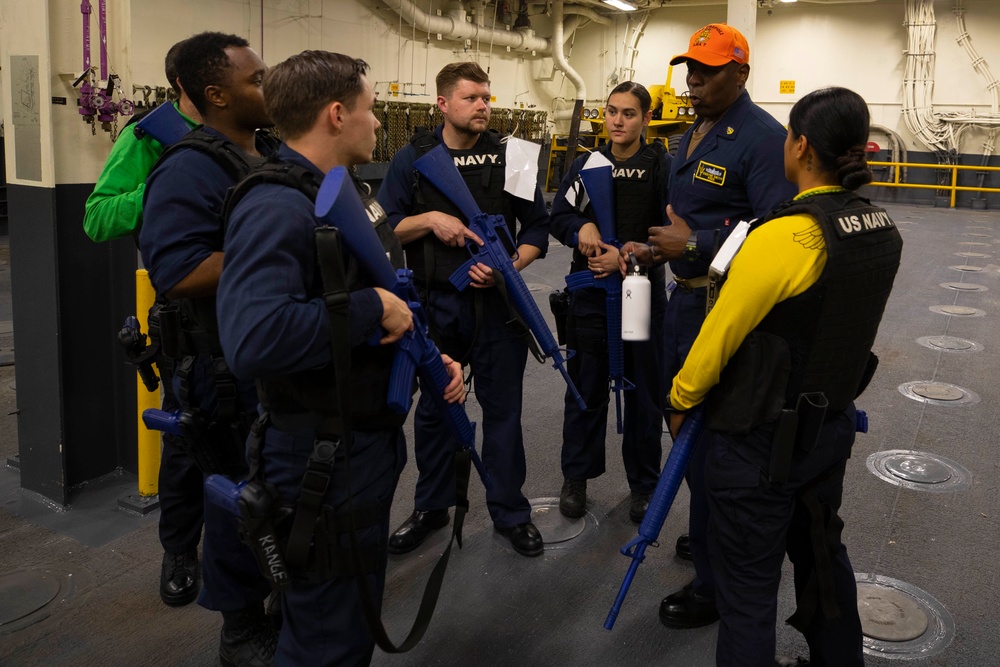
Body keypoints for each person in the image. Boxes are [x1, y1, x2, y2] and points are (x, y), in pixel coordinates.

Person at [216, 50, 465, 666]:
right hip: (317, 461)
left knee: (350, 616)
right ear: (336, 114)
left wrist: (425, 354)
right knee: (329, 638)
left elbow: (378, 291)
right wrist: (369, 309)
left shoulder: (342, 193)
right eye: (371, 109)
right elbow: (252, 338)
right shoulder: (278, 205)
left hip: (358, 445)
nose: (378, 122)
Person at [666, 86, 901, 666]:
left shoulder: (784, 237)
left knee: (747, 591)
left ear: (798, 146)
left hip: (759, 442)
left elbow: (718, 334)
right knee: (823, 558)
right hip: (829, 427)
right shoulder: (878, 226)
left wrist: (680, 399)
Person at [623, 22, 797, 630]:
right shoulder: (692, 131)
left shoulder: (762, 140)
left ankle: (717, 584)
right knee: (686, 427)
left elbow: (780, 236)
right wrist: (658, 249)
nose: (693, 80)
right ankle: (707, 531)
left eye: (709, 70)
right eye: (689, 68)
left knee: (714, 442)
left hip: (727, 312)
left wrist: (692, 242)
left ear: (741, 73)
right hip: (683, 301)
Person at [140, 31, 276, 667]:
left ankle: (272, 598)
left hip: (266, 358)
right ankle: (241, 629)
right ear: (216, 95)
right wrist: (279, 248)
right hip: (221, 369)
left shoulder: (264, 152)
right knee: (233, 503)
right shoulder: (188, 166)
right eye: (255, 80)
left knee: (269, 491)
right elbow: (175, 270)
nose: (268, 87)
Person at [377, 62, 551, 558]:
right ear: (443, 104)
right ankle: (431, 508)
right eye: (472, 97)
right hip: (436, 307)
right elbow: (386, 225)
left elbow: (537, 228)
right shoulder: (412, 157)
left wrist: (508, 267)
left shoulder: (513, 155)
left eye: (486, 97)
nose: (483, 106)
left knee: (503, 414)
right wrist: (431, 219)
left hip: (499, 308)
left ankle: (510, 512)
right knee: (434, 412)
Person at [83, 39, 205, 608]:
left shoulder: (251, 137)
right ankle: (180, 549)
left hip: (248, 305)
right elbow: (98, 217)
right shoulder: (150, 138)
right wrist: (164, 190)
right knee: (186, 446)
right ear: (197, 84)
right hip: (185, 314)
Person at [549, 82, 669, 523]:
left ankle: (643, 485)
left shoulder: (659, 166)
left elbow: (672, 230)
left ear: (646, 119)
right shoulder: (586, 166)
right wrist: (578, 228)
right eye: (612, 112)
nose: (618, 121)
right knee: (585, 387)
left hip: (639, 292)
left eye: (629, 114)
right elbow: (558, 216)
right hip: (592, 295)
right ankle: (576, 477)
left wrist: (633, 253)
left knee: (644, 393)